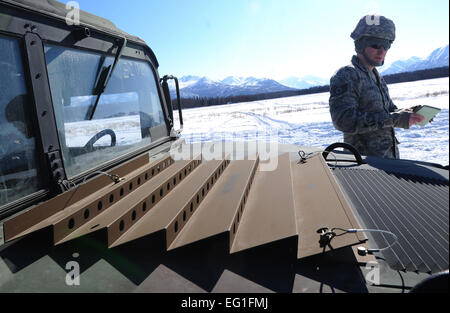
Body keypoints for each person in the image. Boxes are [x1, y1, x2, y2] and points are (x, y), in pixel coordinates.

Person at [329, 15, 424, 159]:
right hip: (364, 167)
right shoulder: (347, 75)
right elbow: (343, 121)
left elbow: (389, 110)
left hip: (388, 161)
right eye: (375, 45)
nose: (382, 51)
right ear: (361, 45)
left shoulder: (376, 76)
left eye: (386, 46)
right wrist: (395, 118)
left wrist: (410, 113)